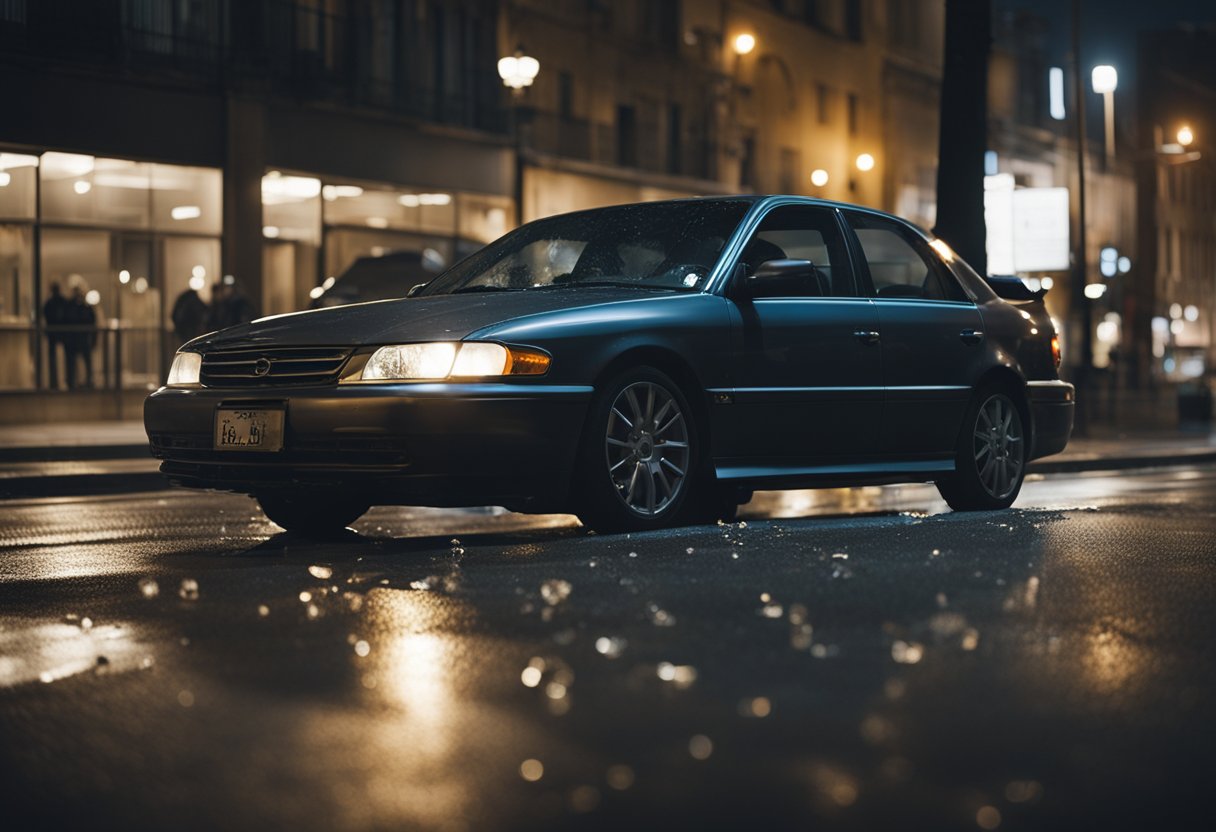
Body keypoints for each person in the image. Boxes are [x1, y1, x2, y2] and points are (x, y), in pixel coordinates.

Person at [64, 286, 97, 389]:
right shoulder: (73, 306)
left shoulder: (84, 306)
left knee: (85, 361)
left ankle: (87, 381)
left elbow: (92, 321)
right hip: (75, 339)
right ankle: (72, 382)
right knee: (73, 362)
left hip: (82, 338)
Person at [42, 283, 68, 389]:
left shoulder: (50, 302)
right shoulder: (59, 302)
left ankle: (56, 382)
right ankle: (56, 382)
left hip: (55, 335)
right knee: (57, 360)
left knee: (55, 360)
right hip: (58, 335)